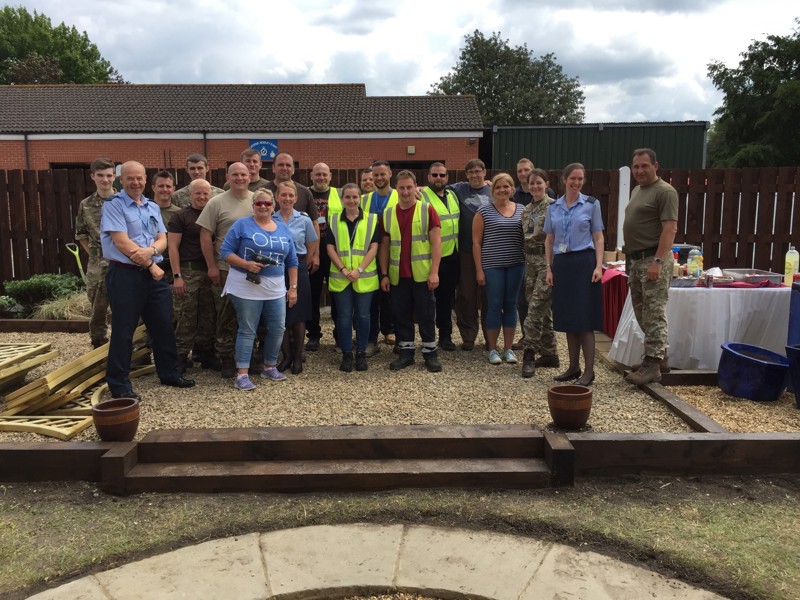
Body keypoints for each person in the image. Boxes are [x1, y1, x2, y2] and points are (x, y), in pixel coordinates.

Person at [100, 161, 195, 399]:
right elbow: (122, 243)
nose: (135, 183)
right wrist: (152, 263)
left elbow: (162, 238)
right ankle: (120, 386)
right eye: (130, 178)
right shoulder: (114, 205)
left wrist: (151, 252)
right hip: (125, 275)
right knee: (124, 331)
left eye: (139, 178)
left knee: (163, 326)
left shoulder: (151, 206)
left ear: (145, 180)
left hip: (153, 276)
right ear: (122, 180)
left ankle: (169, 373)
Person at [220, 189, 299, 389]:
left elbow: (292, 260)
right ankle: (242, 374)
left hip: (275, 288)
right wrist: (246, 264)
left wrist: (293, 288)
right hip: (246, 286)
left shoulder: (282, 228)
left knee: (277, 328)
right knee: (247, 330)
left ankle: (269, 366)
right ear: (253, 206)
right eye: (259, 203)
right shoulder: (241, 225)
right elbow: (225, 252)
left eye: (267, 203)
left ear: (273, 205)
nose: (263, 206)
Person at [544, 163, 604, 386]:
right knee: (569, 319)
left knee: (584, 319)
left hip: (584, 264)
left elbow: (598, 237)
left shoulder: (591, 204)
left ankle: (589, 371)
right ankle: (573, 367)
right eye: (573, 178)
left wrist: (599, 266)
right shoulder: (554, 207)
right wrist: (549, 267)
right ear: (564, 179)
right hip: (563, 265)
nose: (577, 182)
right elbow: (549, 240)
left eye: (580, 179)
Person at [623, 148, 678, 385]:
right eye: (636, 166)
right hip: (636, 259)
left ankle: (653, 364)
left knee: (654, 312)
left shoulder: (665, 192)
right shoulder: (637, 190)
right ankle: (659, 356)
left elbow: (670, 229)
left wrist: (658, 261)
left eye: (644, 166)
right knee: (641, 311)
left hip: (653, 259)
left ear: (656, 166)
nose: (639, 170)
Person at [378, 170, 442, 372]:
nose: (405, 192)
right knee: (401, 316)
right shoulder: (387, 214)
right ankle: (406, 353)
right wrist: (385, 273)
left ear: (416, 188)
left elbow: (436, 243)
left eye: (409, 187)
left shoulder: (427, 210)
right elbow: (385, 247)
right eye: (401, 188)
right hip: (398, 276)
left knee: (426, 315)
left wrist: (434, 272)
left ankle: (430, 354)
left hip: (422, 275)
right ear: (396, 189)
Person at [196, 162, 254, 378]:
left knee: (249, 316)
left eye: (243, 174)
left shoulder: (257, 199)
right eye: (235, 174)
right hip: (226, 270)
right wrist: (211, 266)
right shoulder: (217, 202)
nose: (240, 178)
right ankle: (226, 357)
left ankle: (247, 357)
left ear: (250, 176)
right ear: (228, 177)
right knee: (226, 316)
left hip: (253, 270)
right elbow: (205, 235)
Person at [326, 183, 380, 372]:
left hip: (363, 276)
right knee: (344, 317)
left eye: (354, 197)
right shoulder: (333, 220)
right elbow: (329, 247)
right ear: (342, 200)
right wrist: (342, 268)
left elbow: (374, 247)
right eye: (347, 197)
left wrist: (359, 269)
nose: (351, 200)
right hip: (341, 277)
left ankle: (361, 354)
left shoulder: (372, 220)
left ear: (360, 198)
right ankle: (347, 354)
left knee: (364, 316)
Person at [473, 173, 525, 365]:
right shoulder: (483, 211)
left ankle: (509, 349)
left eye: (506, 186)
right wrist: (479, 269)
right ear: (493, 190)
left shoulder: (521, 210)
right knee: (494, 305)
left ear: (512, 189)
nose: (503, 190)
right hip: (492, 265)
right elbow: (476, 243)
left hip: (516, 264)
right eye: (498, 187)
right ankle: (492, 348)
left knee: (511, 305)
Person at [167, 179, 218, 373]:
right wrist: (177, 275)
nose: (202, 197)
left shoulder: (214, 215)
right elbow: (172, 247)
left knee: (209, 315)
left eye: (205, 193)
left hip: (210, 271)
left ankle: (205, 354)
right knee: (185, 316)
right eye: (198, 193)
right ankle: (179, 357)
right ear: (190, 195)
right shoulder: (181, 216)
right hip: (188, 272)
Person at [274, 181, 318, 374]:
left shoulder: (304, 219)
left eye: (291, 196)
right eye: (283, 195)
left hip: (298, 267)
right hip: (276, 268)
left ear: (296, 198)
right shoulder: (270, 218)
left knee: (299, 315)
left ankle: (298, 357)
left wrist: (303, 263)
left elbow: (312, 243)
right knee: (280, 315)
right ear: (277, 197)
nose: (287, 199)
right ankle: (287, 356)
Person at [520, 168, 559, 377]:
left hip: (547, 262)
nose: (535, 186)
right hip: (530, 261)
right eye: (531, 183)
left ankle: (529, 354)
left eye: (538, 183)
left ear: (546, 184)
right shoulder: (526, 210)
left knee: (535, 308)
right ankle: (550, 353)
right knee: (540, 308)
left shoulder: (554, 207)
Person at [448, 159, 490, 350]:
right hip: (465, 251)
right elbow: (435, 187)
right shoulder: (458, 189)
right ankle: (468, 335)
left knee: (490, 295)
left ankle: (491, 336)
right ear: (466, 175)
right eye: (470, 172)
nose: (474, 175)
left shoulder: (493, 190)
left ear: (484, 172)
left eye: (478, 171)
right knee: (466, 294)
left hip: (491, 252)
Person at [75, 157, 115, 348]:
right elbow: (81, 233)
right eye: (101, 175)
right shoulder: (86, 204)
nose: (105, 180)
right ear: (93, 177)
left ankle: (130, 344)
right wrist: (93, 254)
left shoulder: (123, 201)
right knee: (98, 304)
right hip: (98, 260)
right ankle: (98, 341)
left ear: (114, 176)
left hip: (122, 258)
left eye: (109, 175)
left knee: (126, 302)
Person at [421, 162, 460, 351]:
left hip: (452, 255)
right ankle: (427, 338)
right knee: (428, 301)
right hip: (431, 257)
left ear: (447, 177)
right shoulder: (422, 195)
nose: (438, 178)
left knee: (446, 299)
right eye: (434, 175)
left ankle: (445, 336)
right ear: (428, 177)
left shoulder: (453, 195)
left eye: (442, 175)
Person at [362, 160, 398, 356]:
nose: (379, 178)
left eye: (382, 174)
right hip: (369, 256)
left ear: (390, 174)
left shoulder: (401, 196)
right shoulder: (365, 200)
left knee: (394, 299)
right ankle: (371, 339)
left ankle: (395, 334)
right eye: (375, 175)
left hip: (395, 255)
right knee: (371, 300)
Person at [307, 162, 341, 348]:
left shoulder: (339, 194)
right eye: (317, 174)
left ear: (330, 176)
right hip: (312, 251)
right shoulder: (305, 194)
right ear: (311, 176)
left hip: (334, 251)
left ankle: (339, 334)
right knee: (312, 295)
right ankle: (313, 335)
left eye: (324, 174)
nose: (321, 178)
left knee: (337, 295)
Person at [151, 170, 180, 282]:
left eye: (168, 186)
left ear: (174, 189)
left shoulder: (179, 214)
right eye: (161, 186)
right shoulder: (143, 210)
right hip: (149, 264)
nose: (165, 189)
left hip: (172, 267)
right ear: (153, 187)